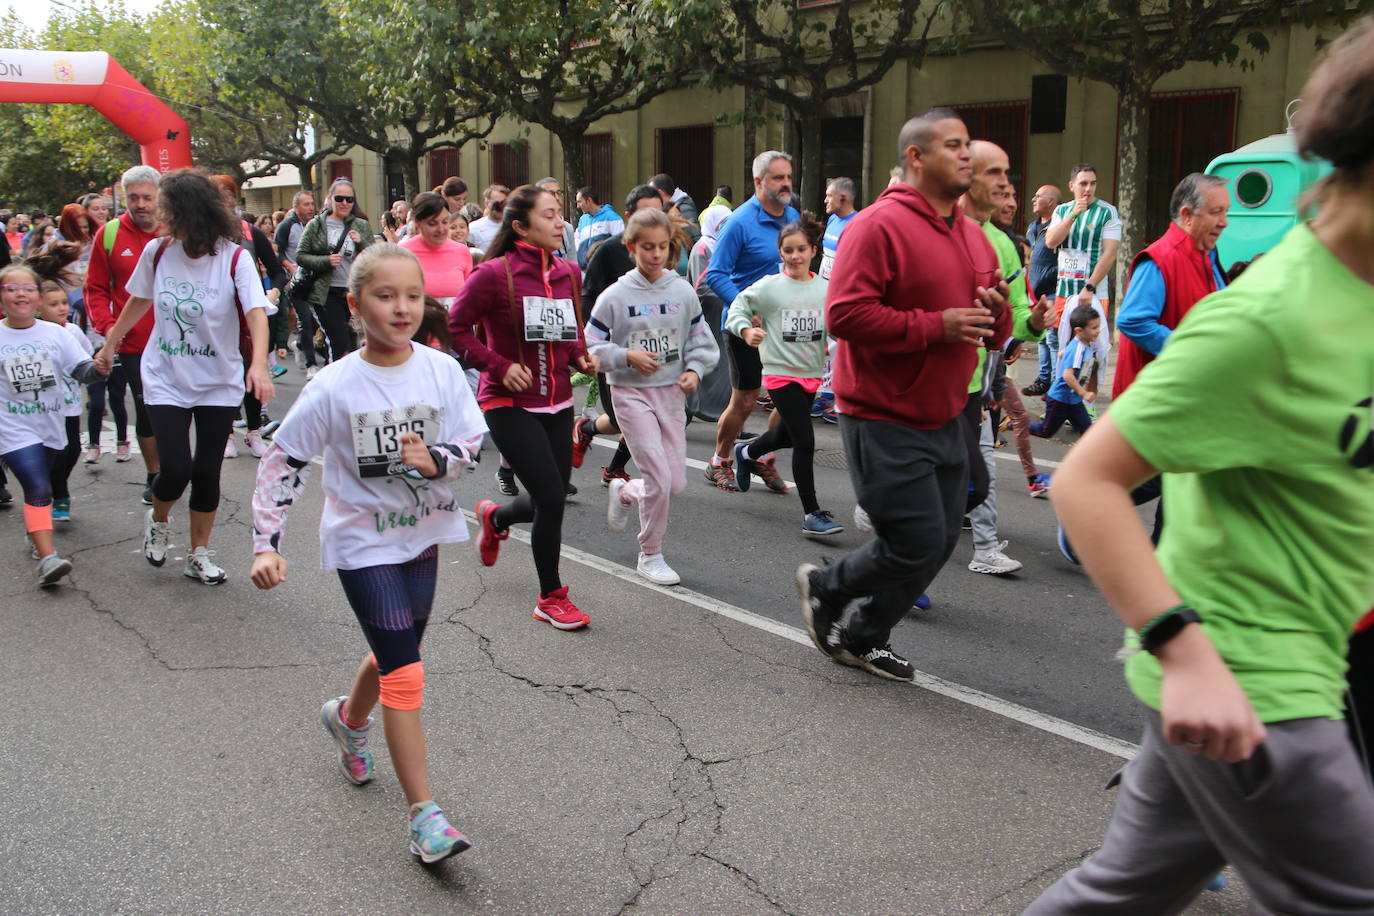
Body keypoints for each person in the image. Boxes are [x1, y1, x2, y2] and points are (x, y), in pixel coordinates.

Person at [1025, 18, 1374, 911]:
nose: (1215, 222)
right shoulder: (1265, 319)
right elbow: (1085, 480)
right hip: (1255, 675)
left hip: (1305, 655)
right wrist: (1184, 653)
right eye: (1209, 212)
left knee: (1124, 890)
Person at [250, 242, 484, 865]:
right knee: (406, 673)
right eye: (385, 296)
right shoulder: (333, 385)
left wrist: (436, 460)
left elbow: (470, 444)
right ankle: (424, 817)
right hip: (361, 543)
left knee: (396, 652)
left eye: (412, 295)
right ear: (354, 306)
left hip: (423, 531)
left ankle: (349, 721)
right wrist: (264, 544)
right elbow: (285, 460)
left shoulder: (440, 370)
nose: (402, 308)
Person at [794, 109, 1011, 682]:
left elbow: (992, 326)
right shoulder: (877, 225)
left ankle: (865, 636)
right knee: (913, 540)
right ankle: (826, 587)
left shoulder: (972, 236)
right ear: (916, 157)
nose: (967, 156)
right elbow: (844, 315)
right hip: (884, 411)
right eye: (953, 145)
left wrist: (1002, 314)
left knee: (939, 541)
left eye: (969, 146)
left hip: (949, 410)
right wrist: (934, 327)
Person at [93, 168, 276, 586]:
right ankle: (158, 519)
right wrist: (110, 345)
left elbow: (255, 314)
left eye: (164, 208)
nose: (156, 214)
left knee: (207, 470)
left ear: (186, 212)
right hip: (166, 375)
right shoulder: (158, 252)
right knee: (175, 468)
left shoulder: (233, 257)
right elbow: (138, 301)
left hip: (217, 379)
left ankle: (198, 553)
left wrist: (258, 364)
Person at [448, 185, 600, 630]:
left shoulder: (569, 272)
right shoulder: (493, 273)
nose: (560, 223)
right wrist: (497, 364)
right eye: (550, 215)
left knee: (542, 500)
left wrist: (579, 357)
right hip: (507, 400)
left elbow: (570, 330)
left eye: (560, 215)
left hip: (557, 401)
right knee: (552, 498)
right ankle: (550, 596)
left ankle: (495, 516)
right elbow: (457, 327)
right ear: (520, 226)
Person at [585, 208, 718, 584]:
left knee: (674, 484)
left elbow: (700, 340)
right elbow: (590, 344)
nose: (656, 254)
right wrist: (625, 356)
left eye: (662, 247)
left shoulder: (682, 292)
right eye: (647, 247)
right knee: (660, 479)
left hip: (671, 395)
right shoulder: (615, 295)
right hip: (630, 394)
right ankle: (650, 554)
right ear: (631, 247)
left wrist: (694, 370)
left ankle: (626, 489)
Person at [1109, 172, 1230, 546]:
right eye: (1216, 212)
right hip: (1159, 397)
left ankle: (1164, 567)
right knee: (1173, 475)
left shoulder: (1205, 256)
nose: (1224, 222)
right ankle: (1093, 509)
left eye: (1226, 213)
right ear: (1187, 214)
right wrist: (1188, 346)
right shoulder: (1160, 258)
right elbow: (1132, 320)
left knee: (1181, 484)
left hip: (1193, 397)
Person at [958, 141, 1050, 575]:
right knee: (927, 478)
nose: (1006, 185)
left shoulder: (1003, 245)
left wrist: (1032, 323)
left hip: (973, 383)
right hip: (924, 383)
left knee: (981, 467)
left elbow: (1011, 317)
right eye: (994, 173)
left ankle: (984, 547)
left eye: (1008, 175)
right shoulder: (934, 229)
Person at [725, 212, 843, 536]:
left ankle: (747, 452)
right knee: (805, 439)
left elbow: (836, 323)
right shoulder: (770, 287)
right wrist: (746, 330)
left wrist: (840, 340)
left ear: (813, 251)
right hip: (778, 372)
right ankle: (811, 514)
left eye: (801, 249)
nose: (795, 256)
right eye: (788, 250)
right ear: (780, 252)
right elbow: (738, 308)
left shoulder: (825, 288)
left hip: (810, 373)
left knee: (787, 435)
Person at [0, 259, 108, 586]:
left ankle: (37, 533)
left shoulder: (56, 335)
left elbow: (81, 371)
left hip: (49, 425)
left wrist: (100, 367)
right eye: (11, 289)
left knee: (42, 487)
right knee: (37, 484)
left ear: (37, 297)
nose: (20, 294)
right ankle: (48, 559)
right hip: (10, 428)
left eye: (28, 288)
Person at [703, 151, 800, 491]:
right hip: (746, 328)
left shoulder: (792, 217)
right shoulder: (740, 221)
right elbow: (714, 275)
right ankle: (719, 460)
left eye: (788, 176)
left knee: (794, 397)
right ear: (759, 182)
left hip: (784, 325)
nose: (786, 183)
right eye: (778, 177)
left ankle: (761, 456)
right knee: (745, 400)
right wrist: (746, 310)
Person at [571, 184, 664, 486]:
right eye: (646, 212)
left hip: (656, 347)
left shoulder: (668, 247)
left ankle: (600, 450)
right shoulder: (611, 250)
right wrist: (591, 343)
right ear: (628, 216)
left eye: (658, 211)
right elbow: (588, 297)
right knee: (622, 419)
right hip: (616, 351)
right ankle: (587, 432)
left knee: (652, 416)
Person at [85, 165, 162, 503]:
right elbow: (96, 289)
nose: (141, 204)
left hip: (181, 344)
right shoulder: (110, 234)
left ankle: (175, 468)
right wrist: (109, 331)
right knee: (147, 411)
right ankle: (155, 473)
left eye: (147, 197)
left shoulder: (178, 231)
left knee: (175, 411)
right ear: (124, 197)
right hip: (135, 345)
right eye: (134, 197)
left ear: (159, 197)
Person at [209, 174, 287, 460]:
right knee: (223, 375)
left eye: (228, 197)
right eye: (218, 198)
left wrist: (273, 294)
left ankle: (254, 432)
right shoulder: (200, 235)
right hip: (217, 316)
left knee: (251, 371)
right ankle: (227, 432)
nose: (224, 203)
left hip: (250, 315)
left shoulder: (249, 232)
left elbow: (278, 270)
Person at [1044, 163, 1120, 391]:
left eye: (1092, 183)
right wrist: (1074, 215)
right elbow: (1051, 241)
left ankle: (1089, 400)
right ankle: (1061, 396)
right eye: (1083, 183)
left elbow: (1110, 253)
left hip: (1094, 292)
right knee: (1063, 346)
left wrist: (1090, 286)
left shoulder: (1108, 212)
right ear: (1071, 186)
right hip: (1064, 292)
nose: (1088, 189)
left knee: (1094, 347)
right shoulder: (1061, 211)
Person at [296, 178, 374, 365]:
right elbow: (300, 255)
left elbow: (374, 256)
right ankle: (333, 386)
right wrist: (325, 261)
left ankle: (348, 384)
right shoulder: (316, 224)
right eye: (340, 198)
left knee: (353, 344)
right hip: (325, 292)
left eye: (349, 199)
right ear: (330, 198)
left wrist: (360, 242)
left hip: (352, 292)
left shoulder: (360, 225)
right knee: (339, 343)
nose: (345, 203)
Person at [37, 276, 92, 524]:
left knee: (73, 450)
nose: (61, 308)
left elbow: (86, 357)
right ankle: (59, 495)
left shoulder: (72, 331)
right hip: (44, 408)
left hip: (70, 404)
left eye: (63, 302)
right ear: (39, 307)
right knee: (55, 453)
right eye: (53, 304)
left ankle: (54, 485)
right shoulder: (34, 334)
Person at [1029, 304, 1098, 439]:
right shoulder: (1079, 348)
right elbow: (1068, 376)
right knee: (1045, 431)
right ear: (1079, 330)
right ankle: (1016, 423)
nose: (1098, 331)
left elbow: (1062, 353)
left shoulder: (1080, 343)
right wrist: (1084, 393)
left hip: (1073, 400)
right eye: (1094, 328)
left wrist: (1064, 355)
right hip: (1060, 400)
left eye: (1098, 327)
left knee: (1088, 432)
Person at [275, 190, 321, 377]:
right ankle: (311, 365)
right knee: (305, 320)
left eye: (312, 204)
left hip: (315, 279)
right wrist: (290, 267)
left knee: (315, 320)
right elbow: (276, 253)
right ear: (296, 207)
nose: (310, 207)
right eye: (306, 204)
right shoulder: (286, 226)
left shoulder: (317, 224)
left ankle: (301, 344)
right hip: (295, 282)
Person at [1022, 184, 1062, 396]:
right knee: (1041, 337)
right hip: (1035, 291)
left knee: (1053, 338)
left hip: (1053, 290)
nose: (1033, 199)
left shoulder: (1059, 226)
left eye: (1038, 196)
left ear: (1051, 202)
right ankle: (1045, 378)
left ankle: (1056, 383)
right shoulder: (1032, 226)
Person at [399, 191, 473, 306]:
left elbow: (470, 296)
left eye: (445, 222)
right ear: (418, 223)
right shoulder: (402, 253)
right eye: (432, 224)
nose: (441, 229)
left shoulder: (462, 251)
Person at [573, 187, 624, 267]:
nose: (578, 206)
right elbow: (576, 241)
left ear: (589, 200)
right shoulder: (583, 219)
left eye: (579, 202)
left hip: (605, 270)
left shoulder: (611, 217)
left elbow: (620, 243)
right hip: (585, 271)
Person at [648, 173, 700, 243]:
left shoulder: (684, 208)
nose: (650, 199)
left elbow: (695, 237)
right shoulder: (672, 207)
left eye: (652, 194)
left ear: (660, 193)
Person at [534, 177, 576, 258]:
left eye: (559, 193)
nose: (557, 198)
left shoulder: (567, 228)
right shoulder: (533, 229)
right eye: (551, 193)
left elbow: (573, 263)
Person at [467, 184, 508, 254]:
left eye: (503, 203)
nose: (499, 206)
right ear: (486, 204)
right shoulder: (473, 228)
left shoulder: (514, 227)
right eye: (496, 203)